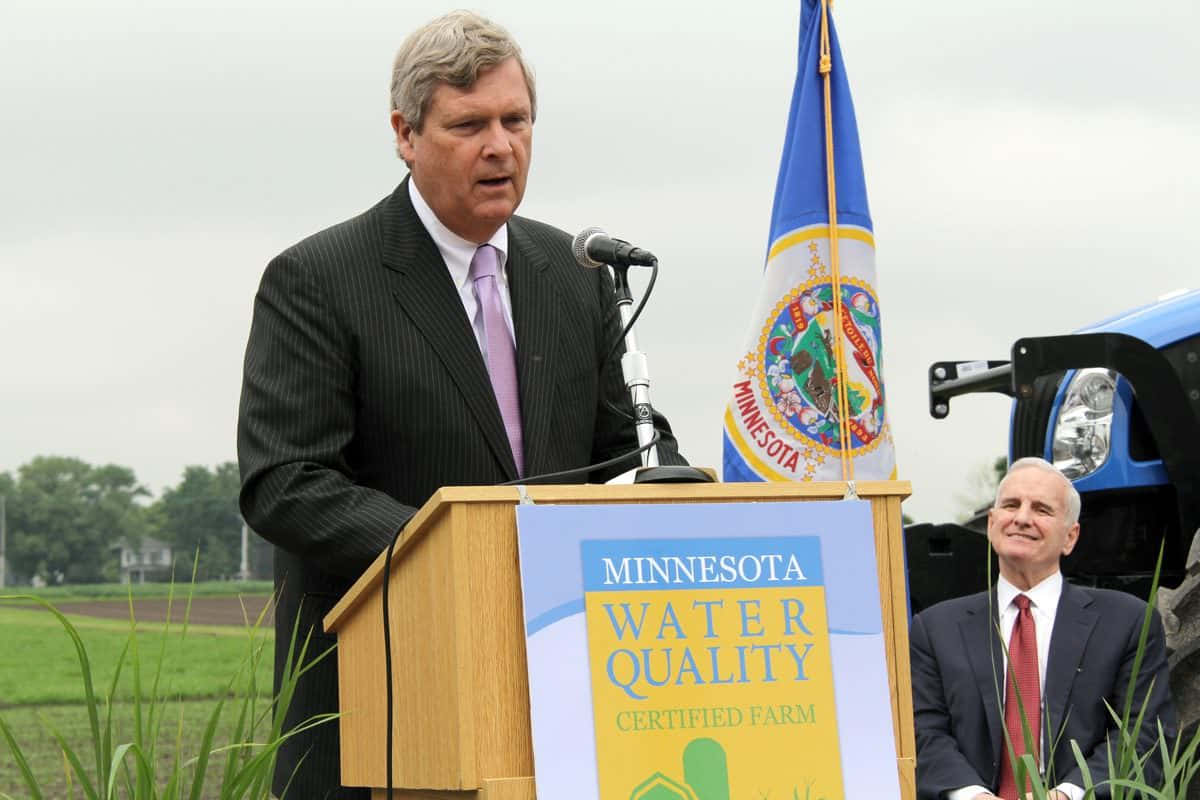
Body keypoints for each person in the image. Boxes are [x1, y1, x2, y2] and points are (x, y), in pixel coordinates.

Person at [237, 11, 684, 798]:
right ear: (406, 134)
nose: (501, 146)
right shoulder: (320, 278)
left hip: (565, 711)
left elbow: (627, 448)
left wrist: (669, 485)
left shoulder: (574, 272)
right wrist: (459, 555)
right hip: (388, 710)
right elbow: (286, 480)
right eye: (468, 124)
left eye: (516, 121)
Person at [910, 457, 1177, 800]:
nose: (1022, 518)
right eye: (1010, 505)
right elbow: (924, 734)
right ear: (992, 524)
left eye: (1041, 509)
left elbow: (1143, 736)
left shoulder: (1128, 622)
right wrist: (971, 795)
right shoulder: (934, 629)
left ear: (1070, 536)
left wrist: (1068, 794)